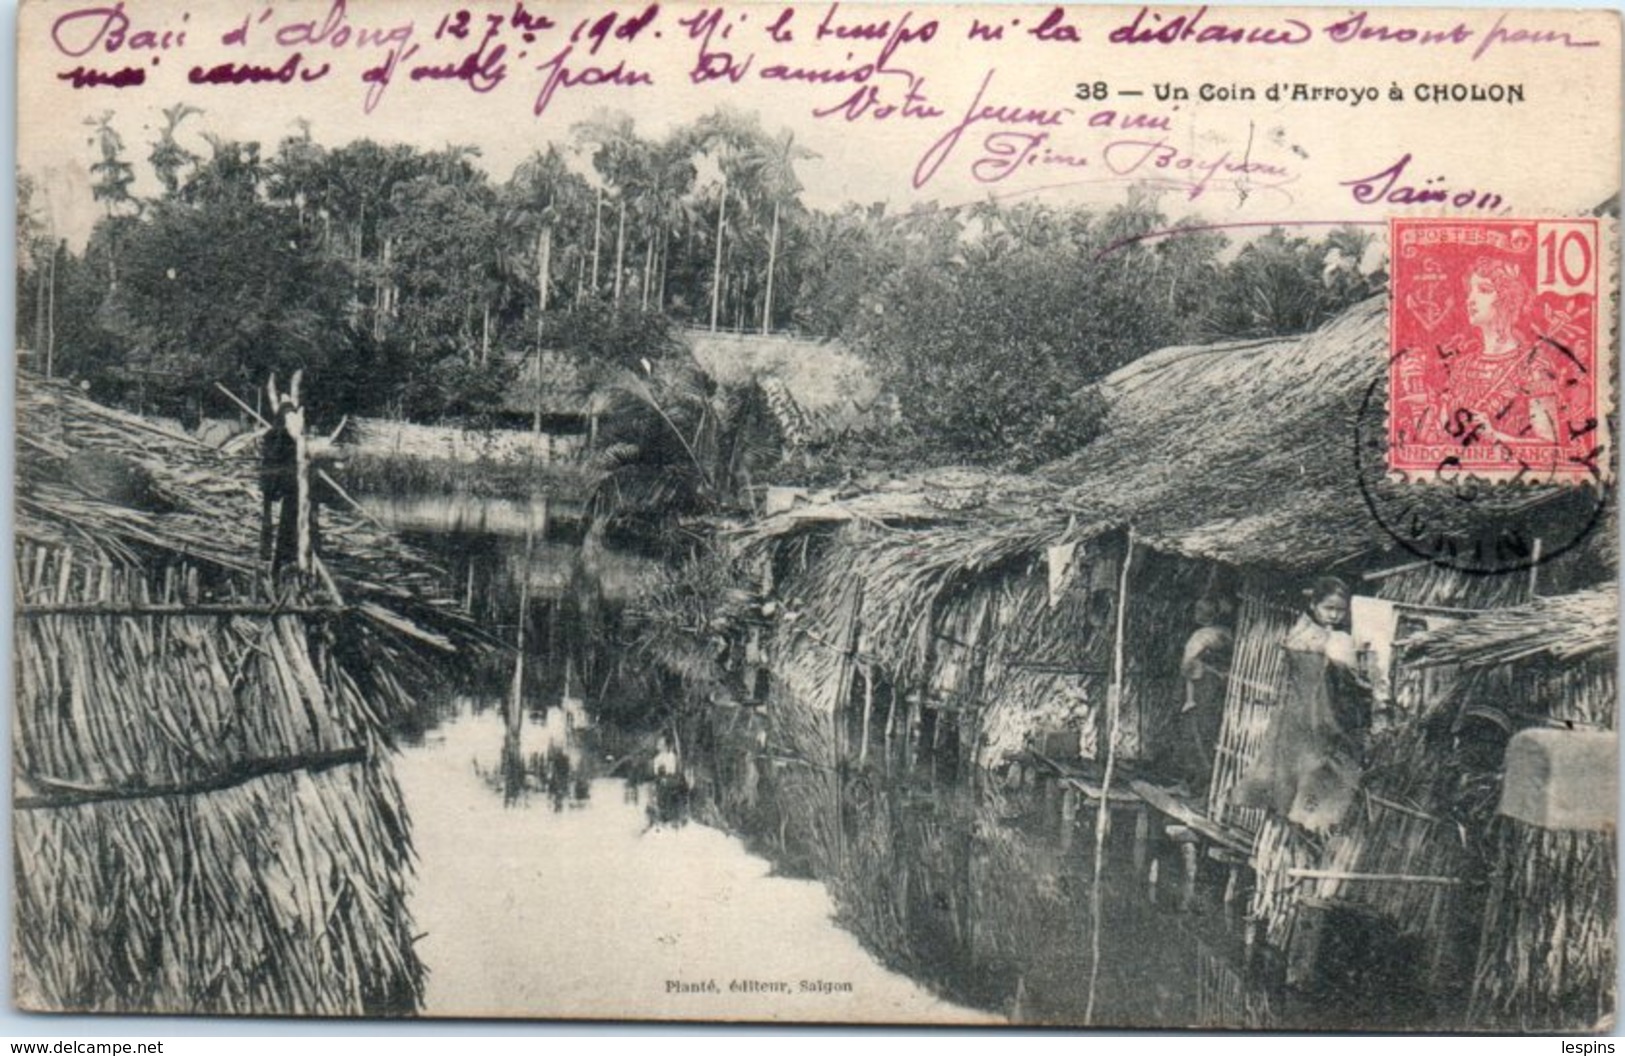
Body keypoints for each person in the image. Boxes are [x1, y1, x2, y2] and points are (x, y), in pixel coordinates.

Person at [1232, 576, 1369, 833]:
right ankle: (1304, 825)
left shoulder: (1301, 632)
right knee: (1312, 769)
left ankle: (1296, 825)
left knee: (1299, 772)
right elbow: (1345, 679)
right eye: (1329, 608)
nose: (1334, 615)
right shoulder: (1329, 639)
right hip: (1312, 713)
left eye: (1341, 610)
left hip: (1302, 712)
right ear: (1314, 605)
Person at [1428, 257, 1564, 447]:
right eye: (1470, 291)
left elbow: (1550, 446)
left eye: (1483, 290)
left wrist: (1495, 436)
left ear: (1507, 300)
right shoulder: (1461, 366)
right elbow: (1437, 437)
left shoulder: (1534, 366)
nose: (1470, 300)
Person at [1175, 597, 1234, 796]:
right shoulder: (1227, 634)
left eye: (1200, 610)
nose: (1196, 613)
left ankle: (1199, 782)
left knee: (1197, 732)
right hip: (1221, 687)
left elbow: (1187, 665)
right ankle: (1206, 782)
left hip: (1203, 685)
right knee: (1214, 730)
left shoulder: (1201, 636)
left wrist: (1189, 694)